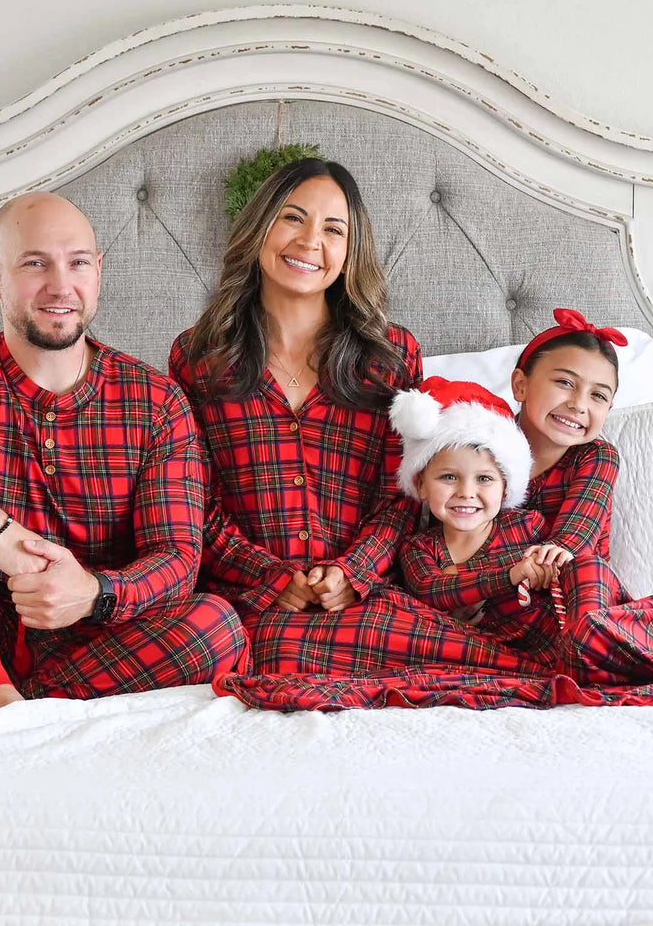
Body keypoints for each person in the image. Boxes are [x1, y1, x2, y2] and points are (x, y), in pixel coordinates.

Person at [170, 158, 549, 677]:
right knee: (273, 647)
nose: (310, 241)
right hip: (249, 604)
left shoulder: (389, 357)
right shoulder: (198, 357)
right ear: (259, 227)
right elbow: (194, 503)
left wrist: (353, 573)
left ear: (351, 252)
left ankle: (551, 674)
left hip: (365, 602)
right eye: (292, 217)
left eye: (333, 229)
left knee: (503, 661)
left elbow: (402, 492)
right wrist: (272, 577)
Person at [0, 191, 247, 713]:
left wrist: (93, 592)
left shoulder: (155, 401)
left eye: (78, 263)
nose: (60, 285)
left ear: (99, 272)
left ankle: (15, 707)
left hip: (86, 649)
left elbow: (177, 559)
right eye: (35, 263)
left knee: (216, 624)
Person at [511, 308, 653, 687]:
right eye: (565, 382)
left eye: (598, 395)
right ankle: (580, 663)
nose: (579, 404)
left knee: (586, 567)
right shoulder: (481, 448)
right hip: (511, 605)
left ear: (608, 409)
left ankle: (593, 652)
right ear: (521, 385)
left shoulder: (596, 456)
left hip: (581, 603)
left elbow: (578, 532)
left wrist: (553, 553)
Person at [393, 376, 568, 667]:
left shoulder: (527, 526)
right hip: (464, 651)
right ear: (421, 485)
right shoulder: (418, 548)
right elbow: (430, 589)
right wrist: (512, 573)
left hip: (540, 643)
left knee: (589, 570)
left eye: (484, 479)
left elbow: (554, 570)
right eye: (449, 477)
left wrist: (459, 575)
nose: (466, 492)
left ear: (506, 488)